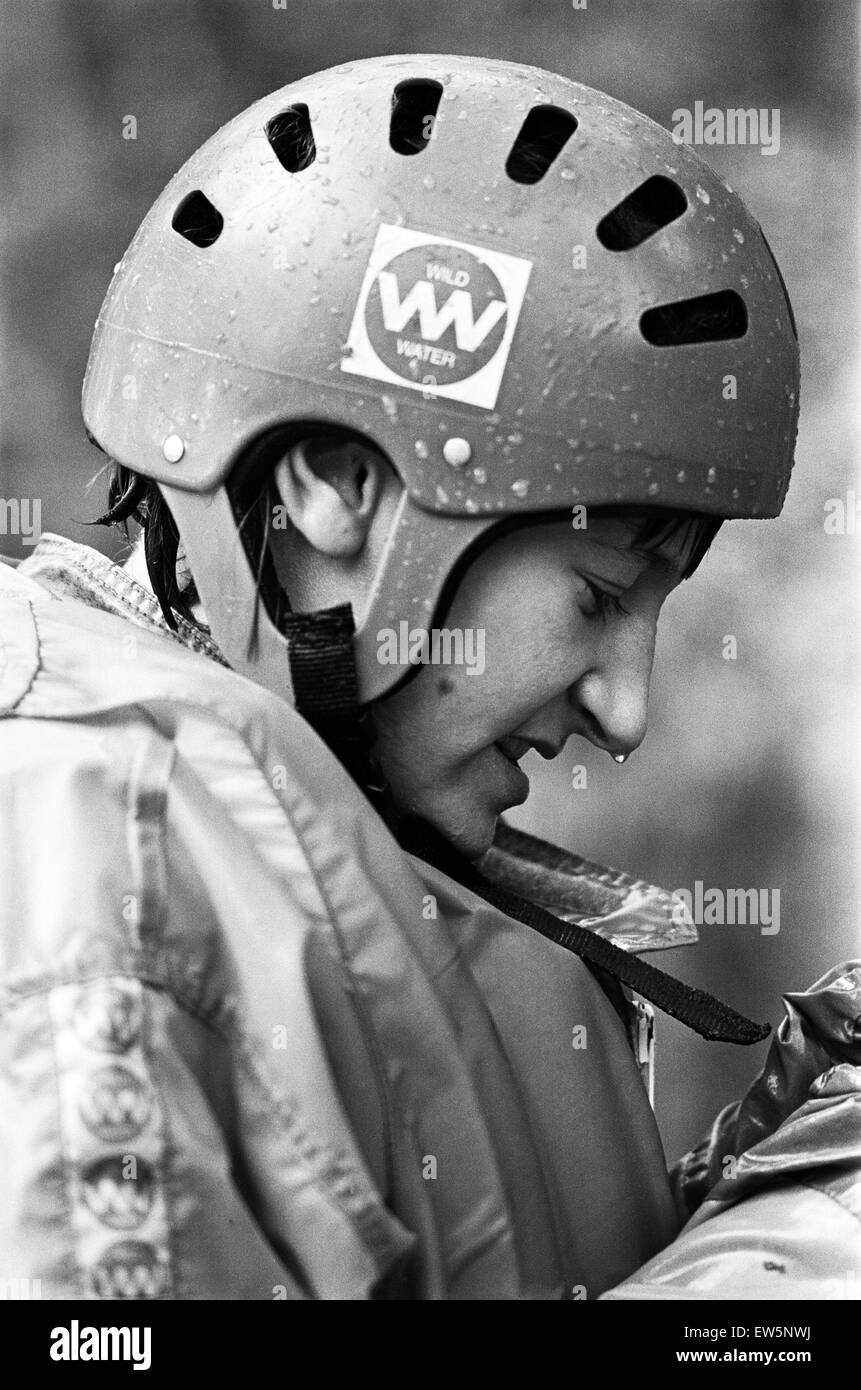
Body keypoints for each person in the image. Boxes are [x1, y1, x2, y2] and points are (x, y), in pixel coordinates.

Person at [1, 54, 856, 1301]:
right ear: (333, 488)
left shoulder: (311, 840)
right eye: (600, 595)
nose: (626, 709)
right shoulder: (97, 852)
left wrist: (795, 1188)